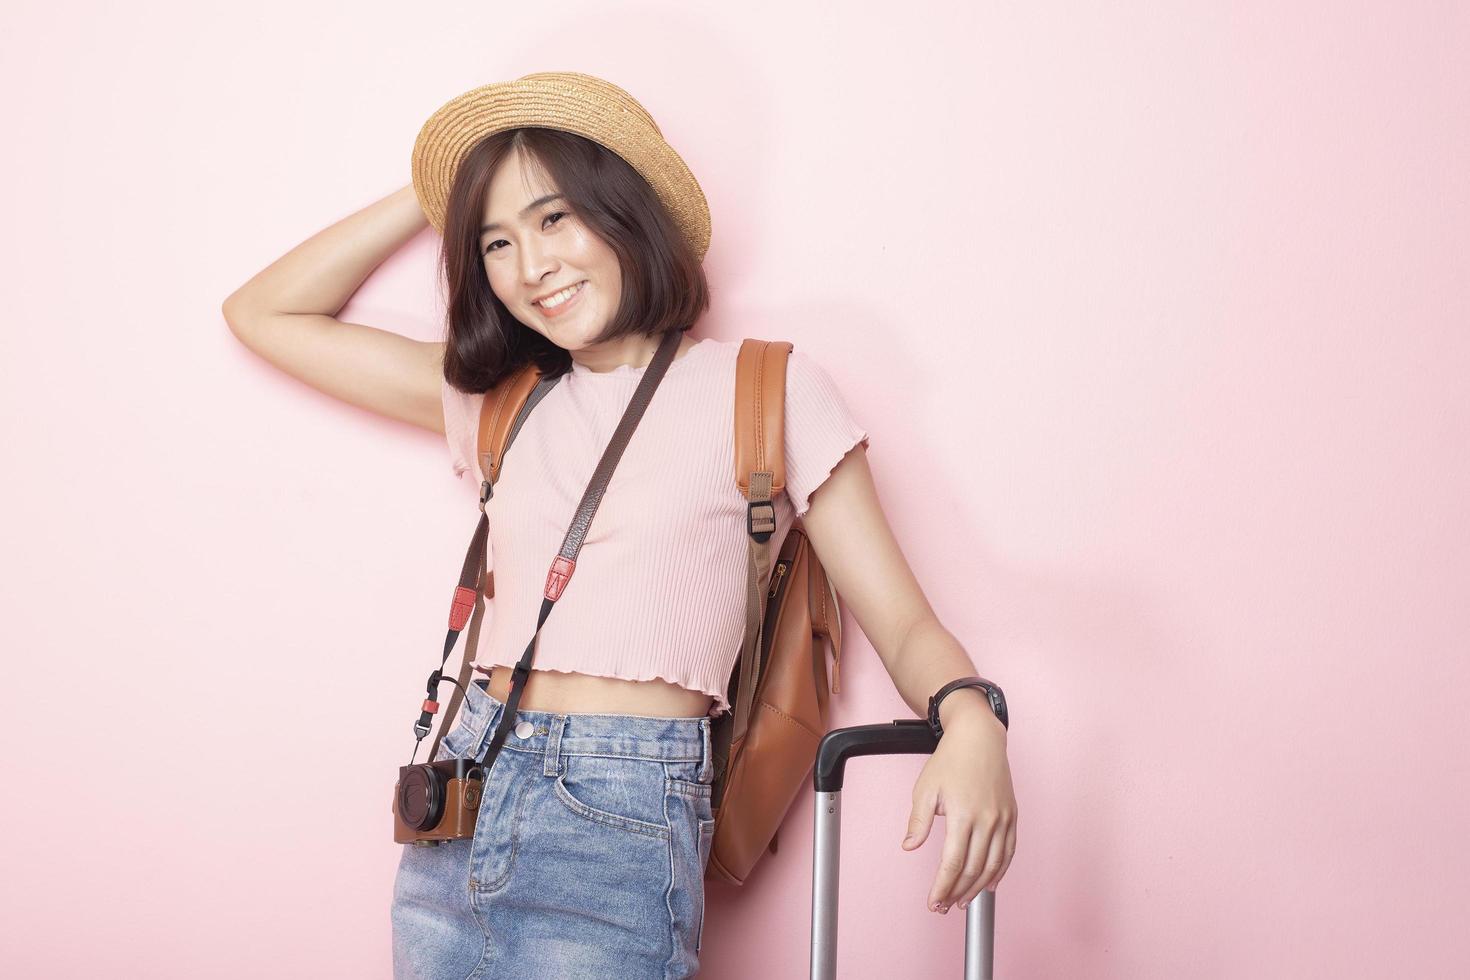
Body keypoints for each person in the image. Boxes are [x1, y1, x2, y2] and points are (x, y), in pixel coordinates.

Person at [222, 72, 1017, 979]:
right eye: (496, 242)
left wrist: (972, 721)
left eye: (554, 218)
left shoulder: (765, 389)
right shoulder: (501, 403)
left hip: (622, 814)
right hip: (464, 790)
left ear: (624, 210)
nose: (531, 266)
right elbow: (264, 313)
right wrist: (443, 181)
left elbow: (903, 619)